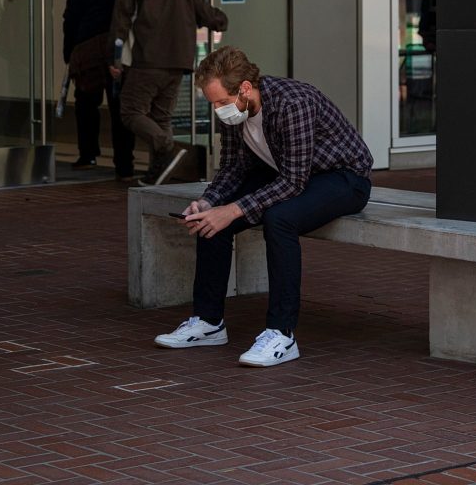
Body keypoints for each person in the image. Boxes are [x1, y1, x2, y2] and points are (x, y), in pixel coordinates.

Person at [153, 45, 373, 367]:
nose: (218, 110)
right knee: (213, 213)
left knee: (279, 217)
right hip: (287, 171)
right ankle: (208, 322)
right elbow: (231, 169)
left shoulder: (291, 102)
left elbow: (294, 182)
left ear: (244, 88)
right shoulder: (236, 111)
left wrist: (231, 210)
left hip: (343, 178)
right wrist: (208, 202)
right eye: (213, 103)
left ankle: (282, 334)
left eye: (222, 102)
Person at [109, 0, 227, 185]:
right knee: (161, 117)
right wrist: (221, 19)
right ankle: (156, 175)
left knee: (131, 112)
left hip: (146, 61)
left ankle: (165, 144)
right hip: (179, 64)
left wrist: (115, 59)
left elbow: (120, 25)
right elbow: (209, 16)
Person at [62, 0, 136, 179]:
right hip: (122, 46)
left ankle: (88, 154)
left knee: (86, 103)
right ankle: (124, 165)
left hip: (89, 47)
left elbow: (71, 18)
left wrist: (69, 53)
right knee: (120, 107)